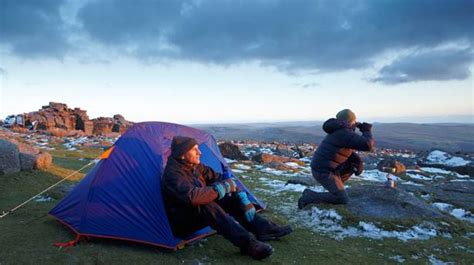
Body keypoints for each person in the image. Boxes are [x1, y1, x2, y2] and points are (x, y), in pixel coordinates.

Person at [162, 136, 293, 260]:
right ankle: (248, 244)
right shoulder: (173, 174)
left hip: (197, 214)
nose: (199, 153)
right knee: (205, 203)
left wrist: (242, 197)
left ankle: (263, 229)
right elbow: (193, 197)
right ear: (182, 154)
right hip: (182, 223)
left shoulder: (195, 167)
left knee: (230, 198)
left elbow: (222, 178)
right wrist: (221, 188)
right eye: (194, 150)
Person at [298, 109, 375, 208]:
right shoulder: (343, 133)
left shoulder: (339, 130)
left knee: (351, 166)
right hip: (324, 171)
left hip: (326, 168)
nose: (355, 123)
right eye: (354, 121)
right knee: (342, 199)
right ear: (350, 121)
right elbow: (367, 145)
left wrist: (357, 161)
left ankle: (337, 187)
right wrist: (366, 130)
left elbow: (341, 150)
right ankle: (309, 196)